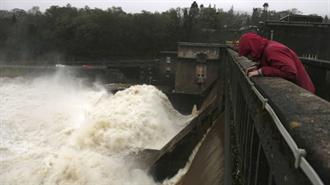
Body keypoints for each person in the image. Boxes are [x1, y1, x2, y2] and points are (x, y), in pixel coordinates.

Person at [238, 32, 315, 93]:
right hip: (298, 91)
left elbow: (290, 72)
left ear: (253, 48)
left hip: (303, 93)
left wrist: (261, 71)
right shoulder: (267, 48)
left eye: (247, 54)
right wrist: (258, 67)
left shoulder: (272, 50)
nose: (248, 57)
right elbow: (275, 65)